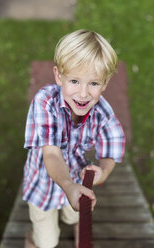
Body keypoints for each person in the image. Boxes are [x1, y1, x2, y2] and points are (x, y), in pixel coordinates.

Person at [23, 29, 125, 248]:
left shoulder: (103, 112)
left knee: (73, 215)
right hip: (42, 183)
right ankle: (32, 238)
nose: (83, 93)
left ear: (105, 84)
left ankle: (76, 223)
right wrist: (67, 185)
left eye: (94, 83)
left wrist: (104, 172)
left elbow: (112, 148)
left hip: (76, 179)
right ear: (59, 76)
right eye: (75, 81)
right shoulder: (45, 102)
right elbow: (51, 153)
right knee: (47, 242)